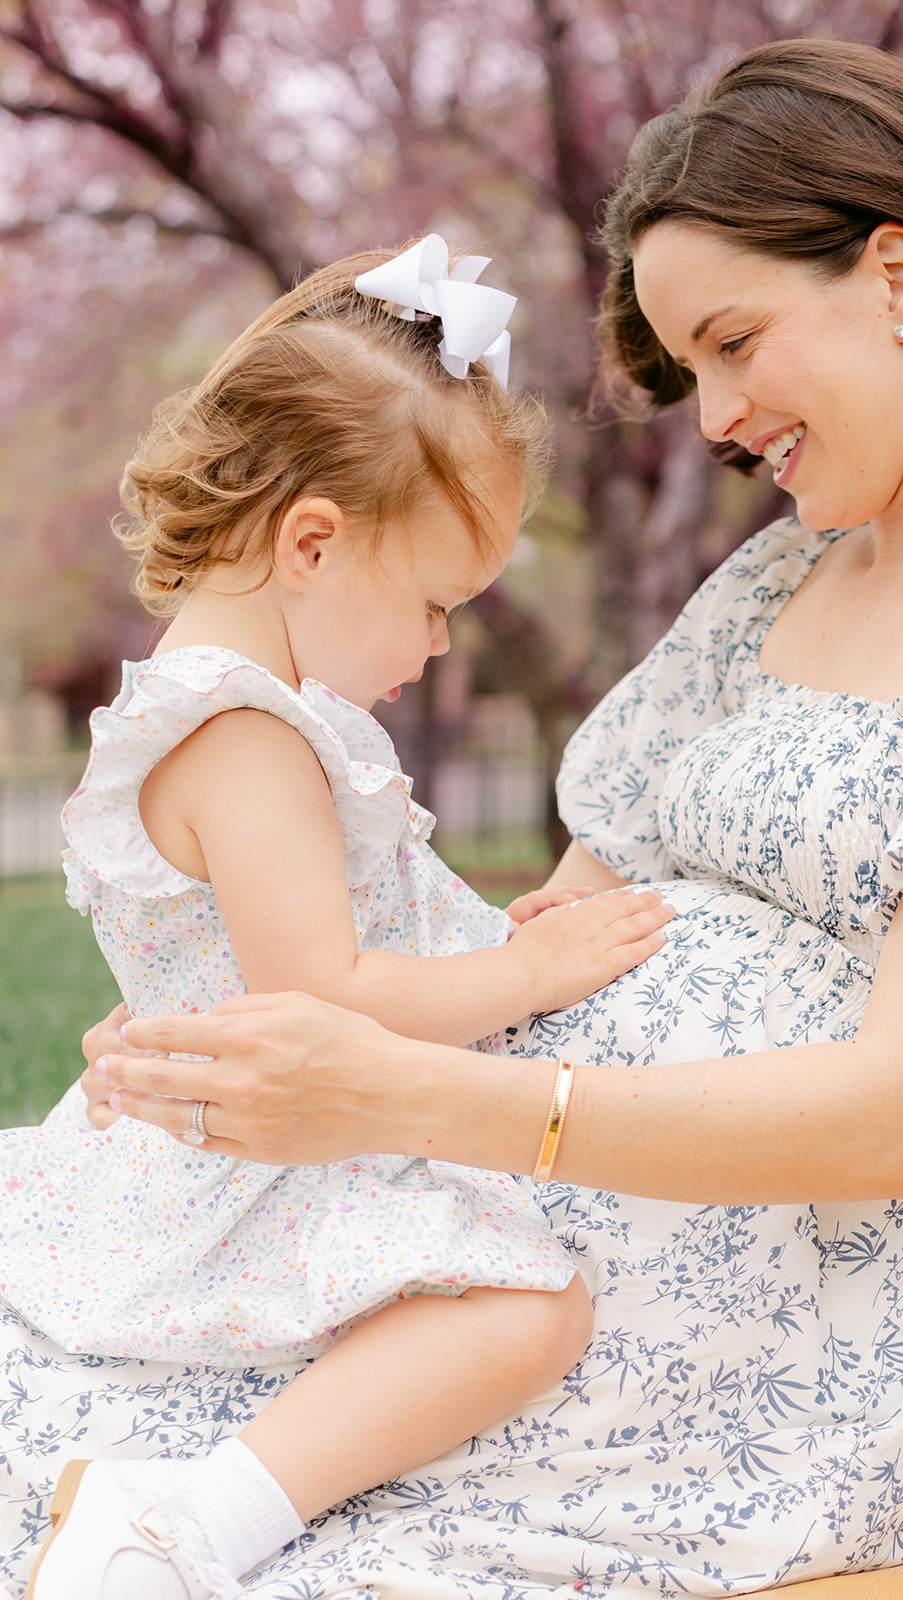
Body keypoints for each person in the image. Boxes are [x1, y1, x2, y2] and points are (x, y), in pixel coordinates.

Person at [4, 33, 903, 1599]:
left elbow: (900, 1119)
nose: (715, 416)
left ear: (897, 277)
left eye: (736, 342)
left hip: (800, 1288)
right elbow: (537, 922)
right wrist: (226, 1048)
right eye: (694, 371)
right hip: (502, 1176)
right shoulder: (772, 580)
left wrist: (400, 1101)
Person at [4, 240, 674, 1600]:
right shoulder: (243, 733)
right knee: (525, 1318)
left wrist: (497, 935)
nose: (439, 648)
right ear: (311, 541)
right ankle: (193, 1522)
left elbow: (340, 937)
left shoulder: (242, 710)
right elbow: (330, 991)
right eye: (436, 606)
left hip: (280, 1121)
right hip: (273, 1151)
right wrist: (529, 969)